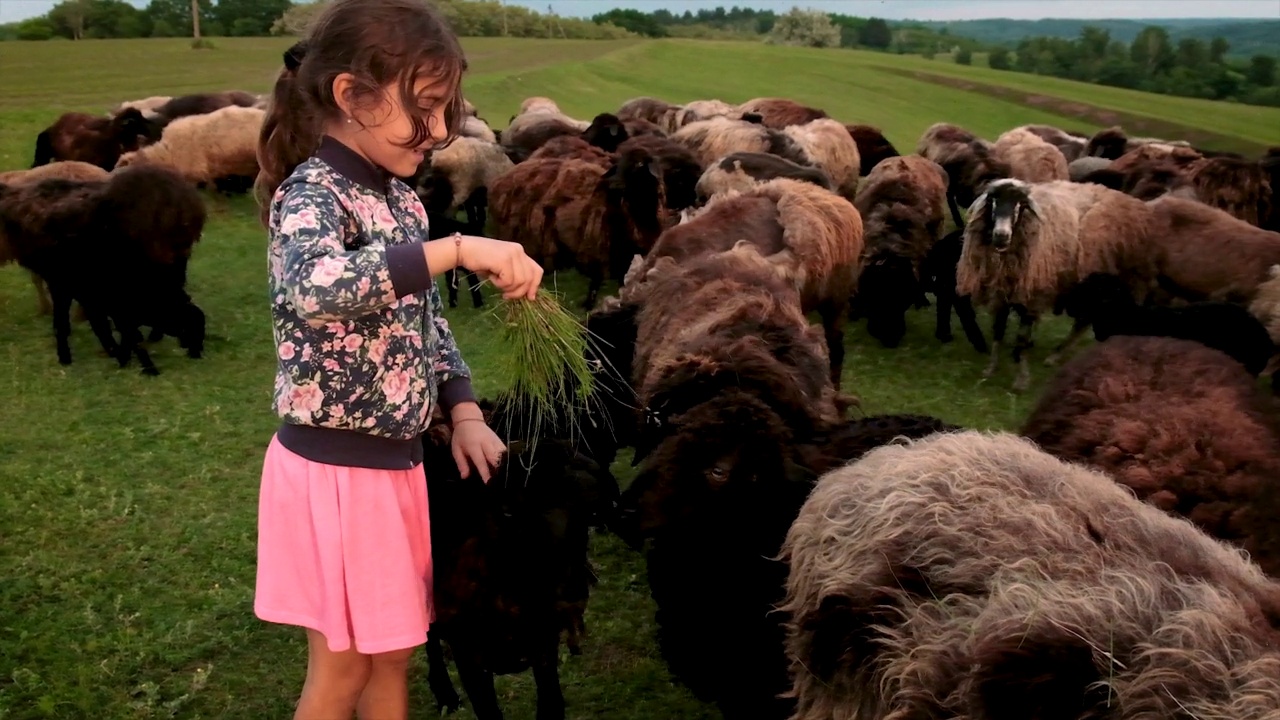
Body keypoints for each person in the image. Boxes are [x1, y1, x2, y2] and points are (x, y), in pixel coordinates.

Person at [251, 1, 543, 718]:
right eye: (426, 109)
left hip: (395, 468)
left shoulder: (402, 203)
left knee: (393, 664)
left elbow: (426, 323)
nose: (442, 132)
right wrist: (457, 249)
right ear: (352, 96)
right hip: (338, 473)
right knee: (343, 674)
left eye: (449, 110)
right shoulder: (311, 195)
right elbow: (314, 286)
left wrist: (465, 408)